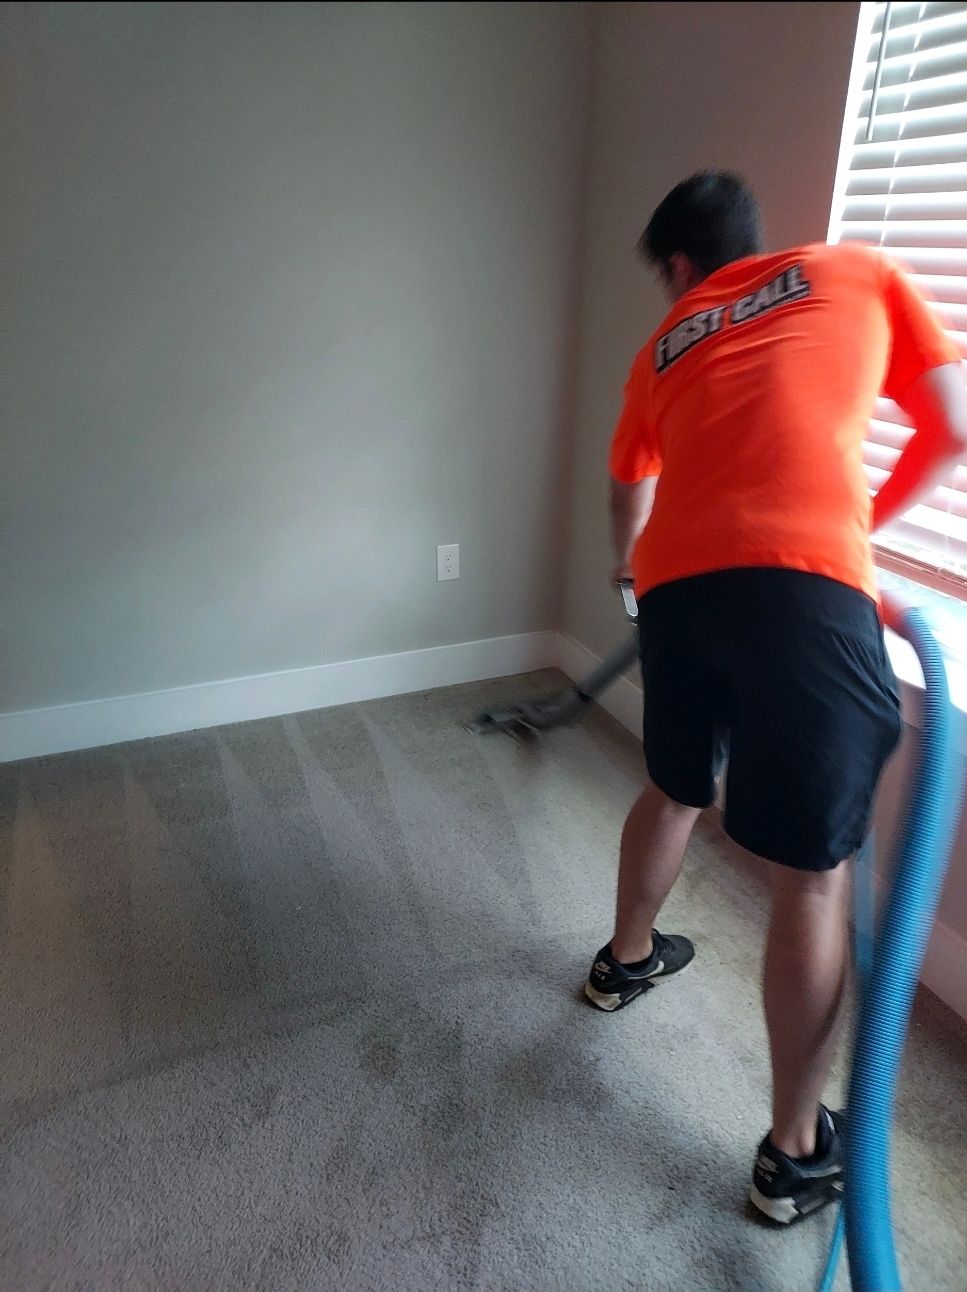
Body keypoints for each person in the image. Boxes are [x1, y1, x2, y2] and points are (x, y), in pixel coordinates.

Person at [583, 171, 967, 1224]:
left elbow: (628, 486)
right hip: (801, 591)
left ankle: (621, 963)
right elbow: (953, 426)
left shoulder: (663, 345)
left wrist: (632, 581)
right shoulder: (853, 270)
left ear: (676, 267)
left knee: (671, 785)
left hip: (675, 590)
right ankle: (793, 1151)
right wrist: (850, 535)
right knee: (807, 875)